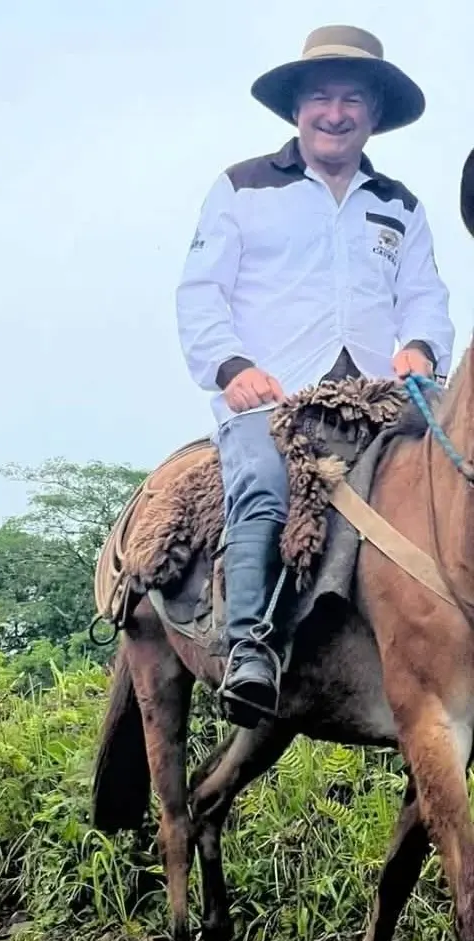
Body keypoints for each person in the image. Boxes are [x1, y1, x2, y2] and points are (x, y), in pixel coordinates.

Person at [176, 26, 454, 727]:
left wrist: (419, 346)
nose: (336, 112)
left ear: (373, 114)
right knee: (266, 485)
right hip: (273, 398)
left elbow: (426, 299)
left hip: (376, 399)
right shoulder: (242, 187)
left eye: (352, 99)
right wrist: (232, 368)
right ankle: (248, 647)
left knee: (452, 476)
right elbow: (200, 294)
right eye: (322, 97)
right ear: (297, 108)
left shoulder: (399, 205)